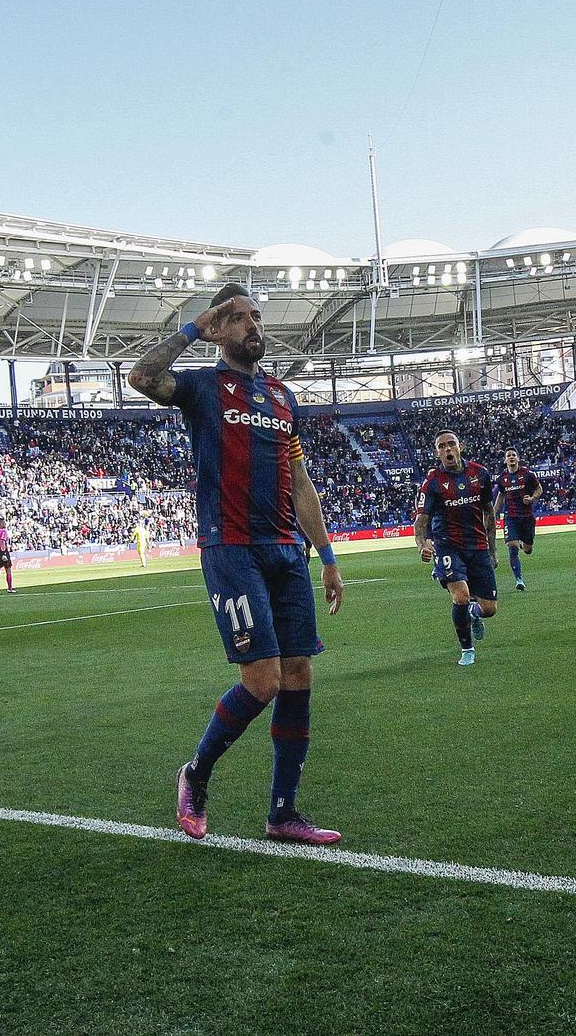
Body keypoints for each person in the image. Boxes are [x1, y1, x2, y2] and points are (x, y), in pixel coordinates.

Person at [128, 284, 344, 846]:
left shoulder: (282, 396)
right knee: (263, 679)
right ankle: (195, 775)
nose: (254, 325)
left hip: (286, 552)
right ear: (221, 331)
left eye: (256, 317)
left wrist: (326, 555)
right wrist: (195, 327)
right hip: (231, 548)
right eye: (240, 319)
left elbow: (299, 483)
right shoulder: (201, 386)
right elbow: (143, 378)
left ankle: (283, 813)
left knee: (299, 674)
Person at [417, 431, 499, 666]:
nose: (447, 449)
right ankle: (467, 649)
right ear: (437, 452)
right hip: (448, 546)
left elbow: (489, 513)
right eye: (442, 446)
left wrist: (492, 551)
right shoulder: (432, 481)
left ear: (459, 446)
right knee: (461, 596)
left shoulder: (480, 473)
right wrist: (422, 544)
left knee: (490, 608)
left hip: (477, 545)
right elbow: (421, 520)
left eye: (451, 444)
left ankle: (475, 614)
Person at [492, 449, 541, 592]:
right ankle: (519, 579)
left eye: (513, 455)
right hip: (510, 517)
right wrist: (494, 513)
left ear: (518, 458)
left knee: (528, 549)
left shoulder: (527, 475)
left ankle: (522, 543)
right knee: (511, 547)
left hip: (526, 517)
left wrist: (532, 498)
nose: (511, 457)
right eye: (508, 456)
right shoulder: (502, 478)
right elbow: (501, 496)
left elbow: (539, 489)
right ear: (505, 460)